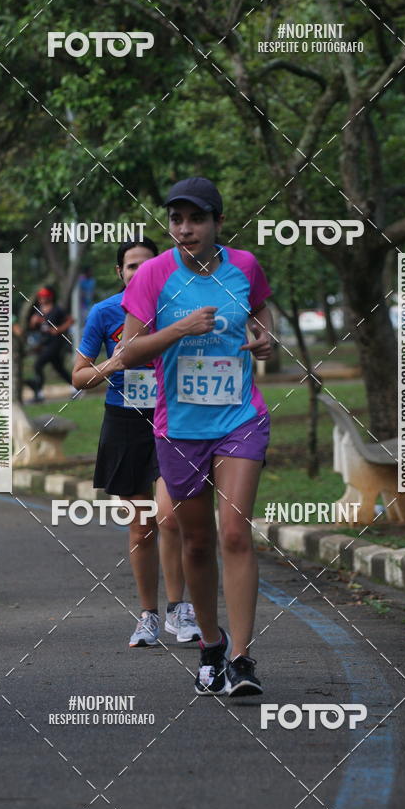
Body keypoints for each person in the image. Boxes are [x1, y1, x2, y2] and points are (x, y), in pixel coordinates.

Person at [119, 177, 274, 696]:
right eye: (177, 220)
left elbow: (259, 313)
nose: (185, 229)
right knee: (198, 540)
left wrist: (266, 338)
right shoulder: (155, 276)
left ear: (217, 224)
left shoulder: (244, 266)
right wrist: (179, 330)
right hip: (181, 427)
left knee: (233, 532)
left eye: (196, 219)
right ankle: (210, 642)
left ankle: (243, 658)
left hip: (239, 417)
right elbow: (129, 353)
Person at [72, 239, 201, 648]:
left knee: (170, 517)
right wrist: (116, 361)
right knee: (141, 526)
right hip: (126, 424)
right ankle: (146, 615)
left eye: (148, 264)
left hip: (174, 420)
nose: (139, 271)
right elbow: (78, 377)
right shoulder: (105, 312)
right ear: (120, 272)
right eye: (131, 266)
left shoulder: (180, 307)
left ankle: (178, 609)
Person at [25, 287, 74, 402]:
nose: (42, 299)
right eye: (40, 297)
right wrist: (33, 322)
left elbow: (70, 320)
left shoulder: (57, 310)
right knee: (59, 368)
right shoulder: (39, 311)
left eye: (44, 296)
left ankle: (39, 393)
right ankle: (77, 387)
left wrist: (59, 329)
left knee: (38, 364)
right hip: (45, 342)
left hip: (55, 342)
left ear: (50, 297)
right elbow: (34, 327)